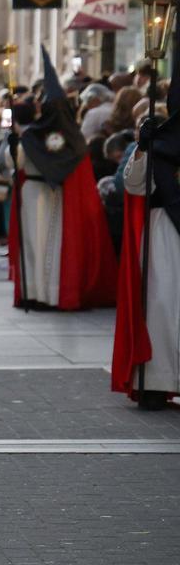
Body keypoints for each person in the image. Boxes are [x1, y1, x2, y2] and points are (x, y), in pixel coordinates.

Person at [7, 47, 116, 310]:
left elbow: (17, 164)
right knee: (54, 245)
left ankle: (35, 293)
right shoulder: (74, 137)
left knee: (35, 243)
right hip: (57, 195)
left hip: (34, 191)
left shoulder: (32, 134)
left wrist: (14, 145)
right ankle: (53, 293)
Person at [113, 41, 179, 410]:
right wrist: (143, 148)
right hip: (163, 231)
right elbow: (134, 185)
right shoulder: (162, 141)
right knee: (159, 302)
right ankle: (157, 381)